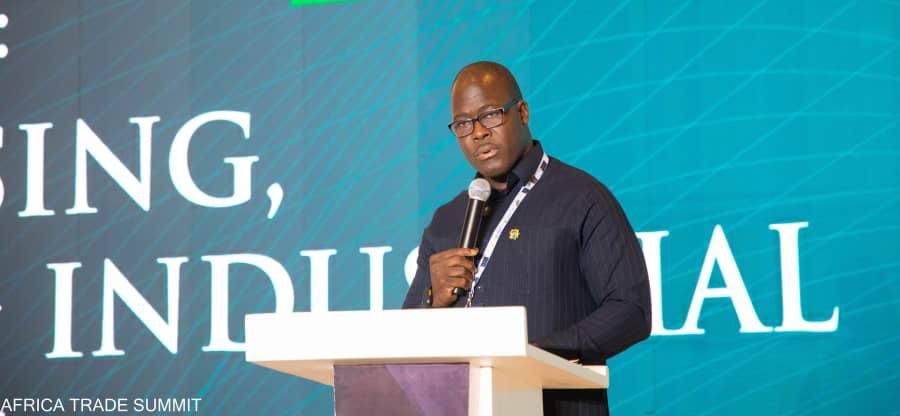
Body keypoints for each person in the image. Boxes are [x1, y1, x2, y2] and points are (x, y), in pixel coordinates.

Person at [402, 61, 651, 416]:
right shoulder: (446, 220)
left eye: (490, 115)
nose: (478, 133)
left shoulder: (582, 198)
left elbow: (631, 310)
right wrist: (432, 299)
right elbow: (405, 343)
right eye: (463, 124)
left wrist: (532, 356)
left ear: (522, 112)